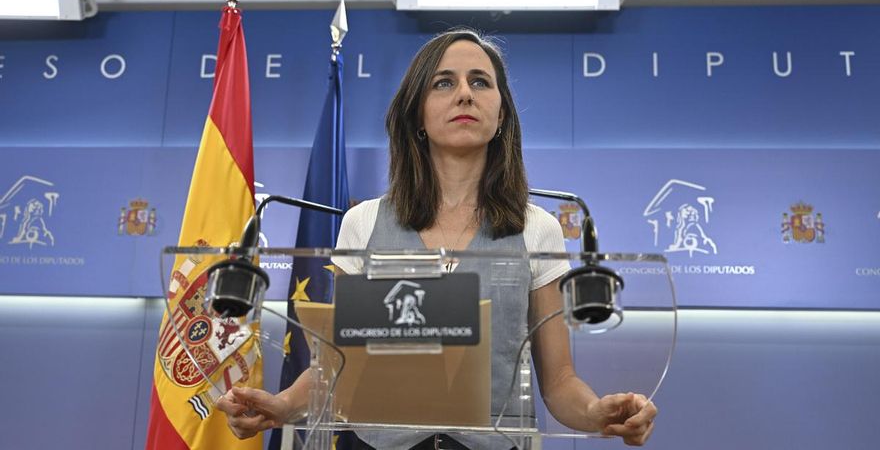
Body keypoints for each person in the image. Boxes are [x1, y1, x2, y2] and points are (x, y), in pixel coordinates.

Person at [216, 29, 657, 448]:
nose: (465, 93)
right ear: (418, 115)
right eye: (444, 83)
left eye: (480, 82)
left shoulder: (538, 229)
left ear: (501, 114)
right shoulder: (362, 223)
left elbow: (559, 382)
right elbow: (336, 364)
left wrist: (598, 412)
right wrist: (283, 405)